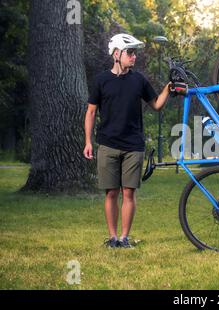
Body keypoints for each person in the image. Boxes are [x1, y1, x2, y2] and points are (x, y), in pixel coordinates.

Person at [83, 33, 186, 248]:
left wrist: (168, 87)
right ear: (117, 54)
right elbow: (91, 112)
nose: (134, 57)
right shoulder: (101, 81)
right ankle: (112, 238)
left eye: (135, 53)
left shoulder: (139, 80)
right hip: (108, 145)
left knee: (128, 192)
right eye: (130, 52)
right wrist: (88, 141)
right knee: (111, 192)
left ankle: (124, 238)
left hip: (134, 146)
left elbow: (156, 104)